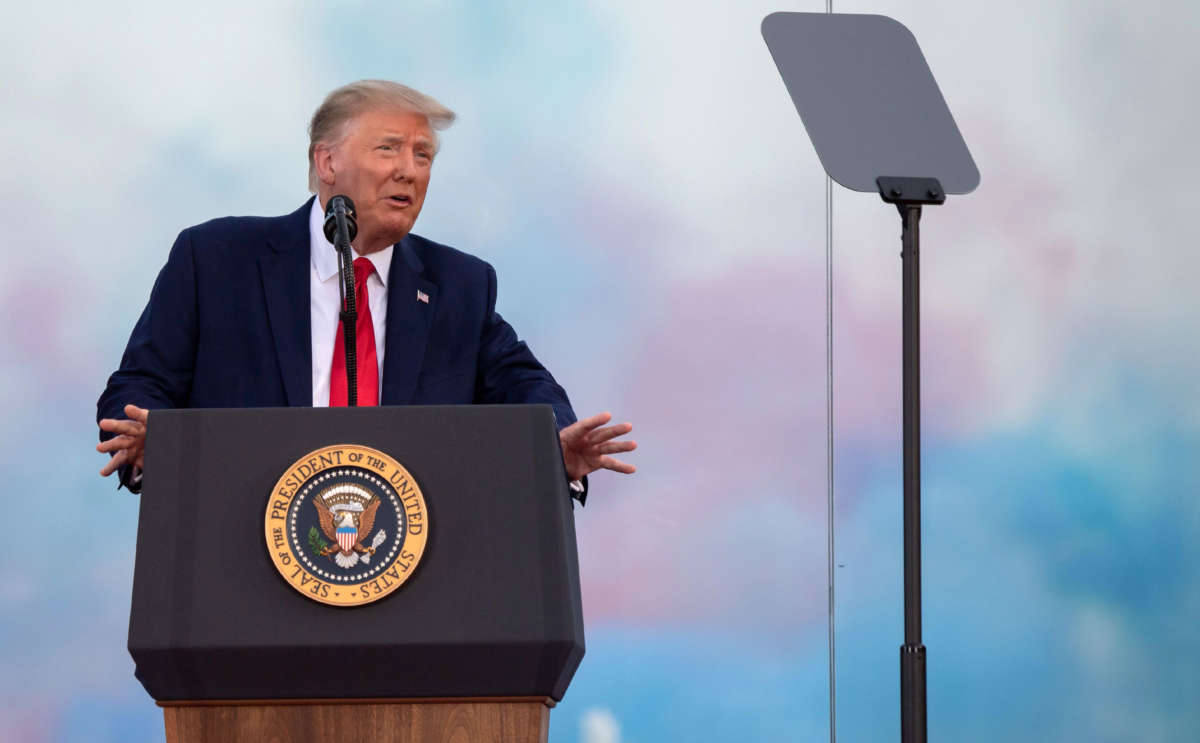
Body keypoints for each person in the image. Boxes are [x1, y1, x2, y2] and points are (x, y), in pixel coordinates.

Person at [96, 80, 635, 503]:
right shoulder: (216, 259)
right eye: (389, 149)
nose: (410, 170)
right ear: (327, 162)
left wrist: (553, 442)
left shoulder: (458, 286)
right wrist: (154, 443)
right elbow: (140, 385)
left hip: (409, 576)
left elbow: (523, 384)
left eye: (423, 156)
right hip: (238, 557)